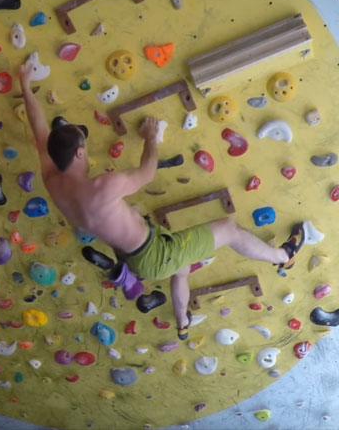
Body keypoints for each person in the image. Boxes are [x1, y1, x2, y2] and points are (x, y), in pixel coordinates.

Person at [17, 64, 305, 340]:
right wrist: (151, 138)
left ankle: (182, 322)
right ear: (80, 154)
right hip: (154, 253)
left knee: (181, 268)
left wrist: (26, 85)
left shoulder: (52, 181)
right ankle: (283, 256)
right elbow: (147, 173)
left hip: (136, 258)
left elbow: (38, 127)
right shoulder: (102, 187)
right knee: (228, 229)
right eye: (84, 144)